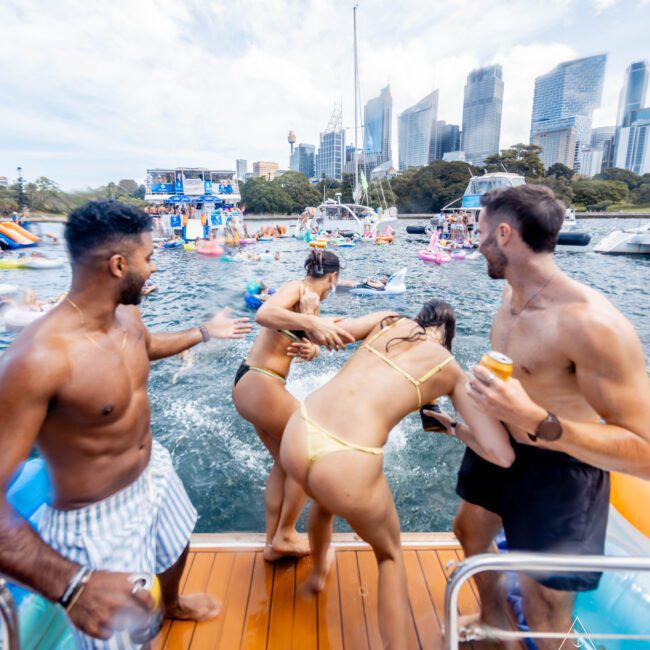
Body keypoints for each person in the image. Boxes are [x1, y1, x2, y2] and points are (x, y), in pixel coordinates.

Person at [0, 201, 252, 648]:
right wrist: (72, 584)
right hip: (95, 521)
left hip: (152, 468)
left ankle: (172, 602)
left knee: (176, 542)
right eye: (149, 258)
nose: (154, 268)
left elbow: (147, 346)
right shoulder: (37, 359)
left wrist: (202, 331)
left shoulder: (127, 314)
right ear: (118, 265)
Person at [453, 184, 650, 647]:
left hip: (562, 469)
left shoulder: (591, 324)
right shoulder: (512, 297)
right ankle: (495, 624)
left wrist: (537, 417)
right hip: (504, 448)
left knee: (544, 610)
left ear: (504, 234)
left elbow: (644, 452)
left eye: (478, 232)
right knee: (469, 528)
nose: (474, 242)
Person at [280, 300, 514, 649]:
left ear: (421, 319)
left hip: (298, 431)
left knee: (323, 501)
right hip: (346, 460)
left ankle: (316, 577)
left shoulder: (389, 321)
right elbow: (500, 454)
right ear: (448, 335)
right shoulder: (448, 369)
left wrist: (312, 338)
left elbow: (332, 331)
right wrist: (452, 427)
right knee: (389, 554)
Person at [232, 250, 355, 561]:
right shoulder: (297, 289)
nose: (330, 290)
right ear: (332, 277)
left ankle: (273, 541)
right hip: (259, 382)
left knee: (286, 464)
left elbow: (306, 339)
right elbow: (264, 314)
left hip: (259, 385)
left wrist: (312, 347)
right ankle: (286, 534)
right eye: (332, 285)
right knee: (309, 449)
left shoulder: (310, 303)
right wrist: (310, 320)